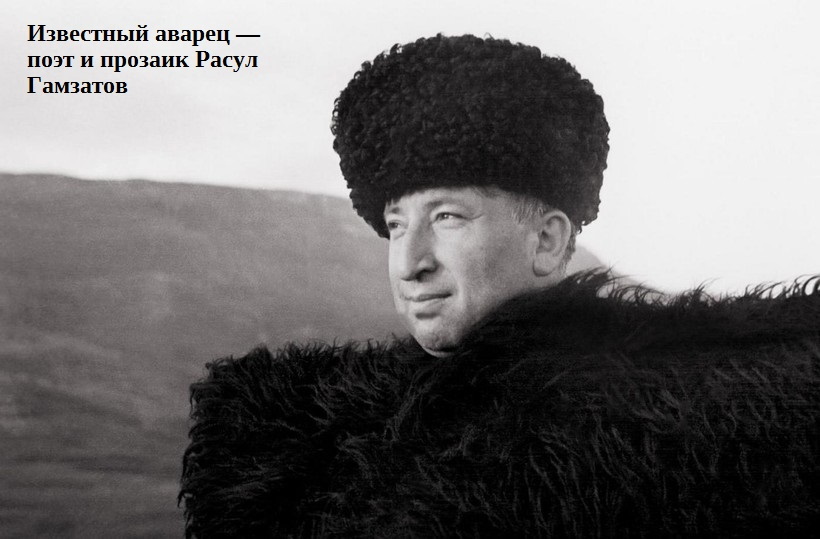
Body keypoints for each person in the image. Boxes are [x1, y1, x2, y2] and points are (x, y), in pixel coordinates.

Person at [180, 34, 820, 537]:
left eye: (448, 218)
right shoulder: (296, 445)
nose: (409, 262)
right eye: (396, 225)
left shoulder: (699, 446)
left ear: (547, 241)